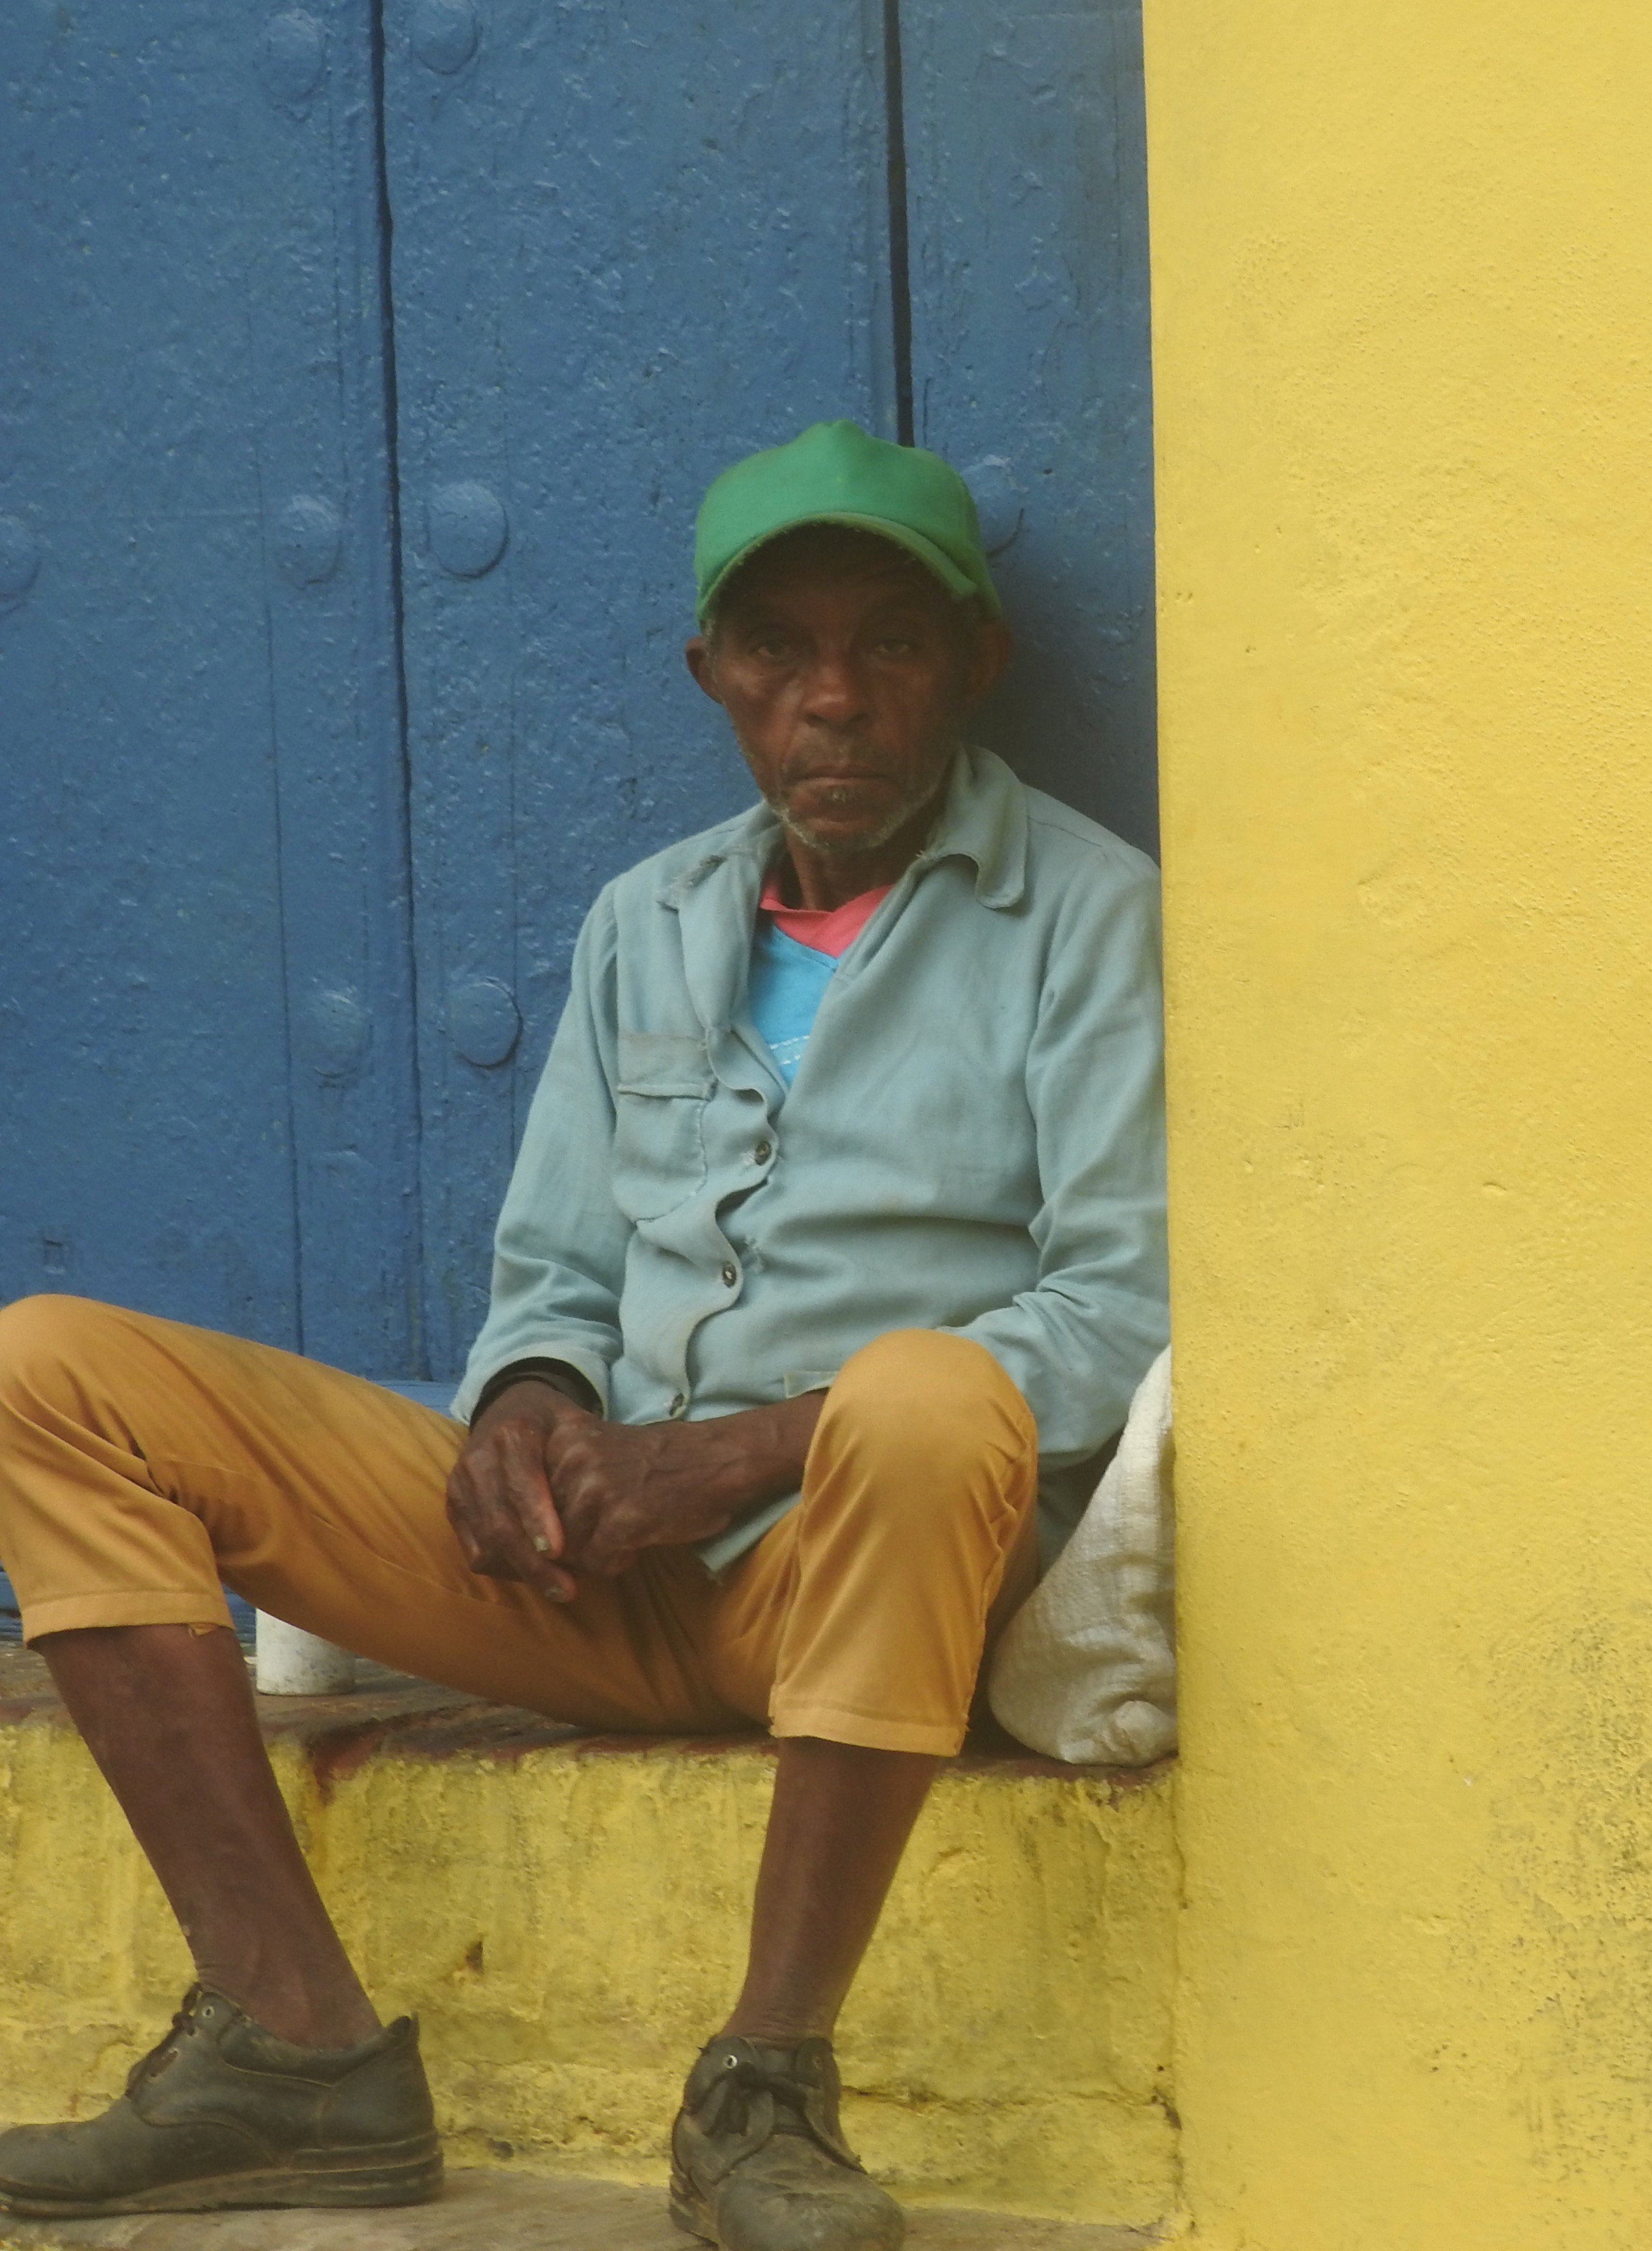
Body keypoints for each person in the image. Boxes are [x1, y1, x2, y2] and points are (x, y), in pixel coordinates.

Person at [0, 419, 1167, 2251]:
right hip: (598, 1576)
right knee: (46, 1369)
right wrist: (532, 1413)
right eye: (778, 649)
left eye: (891, 643)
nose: (834, 697)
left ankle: (765, 2088)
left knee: (930, 1396)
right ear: (711, 679)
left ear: (974, 666)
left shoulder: (1088, 919)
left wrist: (735, 1448)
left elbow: (1118, 1306)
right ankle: (292, 2055)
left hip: (859, 1586)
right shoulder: (649, 921)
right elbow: (546, 1275)